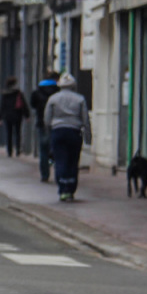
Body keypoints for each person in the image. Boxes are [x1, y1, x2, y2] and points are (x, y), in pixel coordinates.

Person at [45, 73, 92, 201]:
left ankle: (62, 188)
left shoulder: (53, 99)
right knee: (73, 160)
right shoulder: (80, 99)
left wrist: (49, 131)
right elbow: (85, 119)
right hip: (74, 132)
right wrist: (88, 137)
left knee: (60, 160)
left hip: (58, 131)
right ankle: (71, 188)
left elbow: (47, 119)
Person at [30, 70, 60, 183]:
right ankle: (58, 173)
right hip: (56, 123)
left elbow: (32, 104)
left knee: (43, 149)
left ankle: (44, 174)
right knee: (57, 149)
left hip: (42, 123)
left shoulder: (37, 91)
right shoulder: (58, 91)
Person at [0, 77, 29, 156]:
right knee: (18, 133)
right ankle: (18, 149)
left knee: (9, 133)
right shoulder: (18, 93)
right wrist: (26, 115)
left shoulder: (5, 94)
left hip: (8, 116)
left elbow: (2, 106)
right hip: (17, 115)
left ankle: (9, 151)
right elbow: (23, 104)